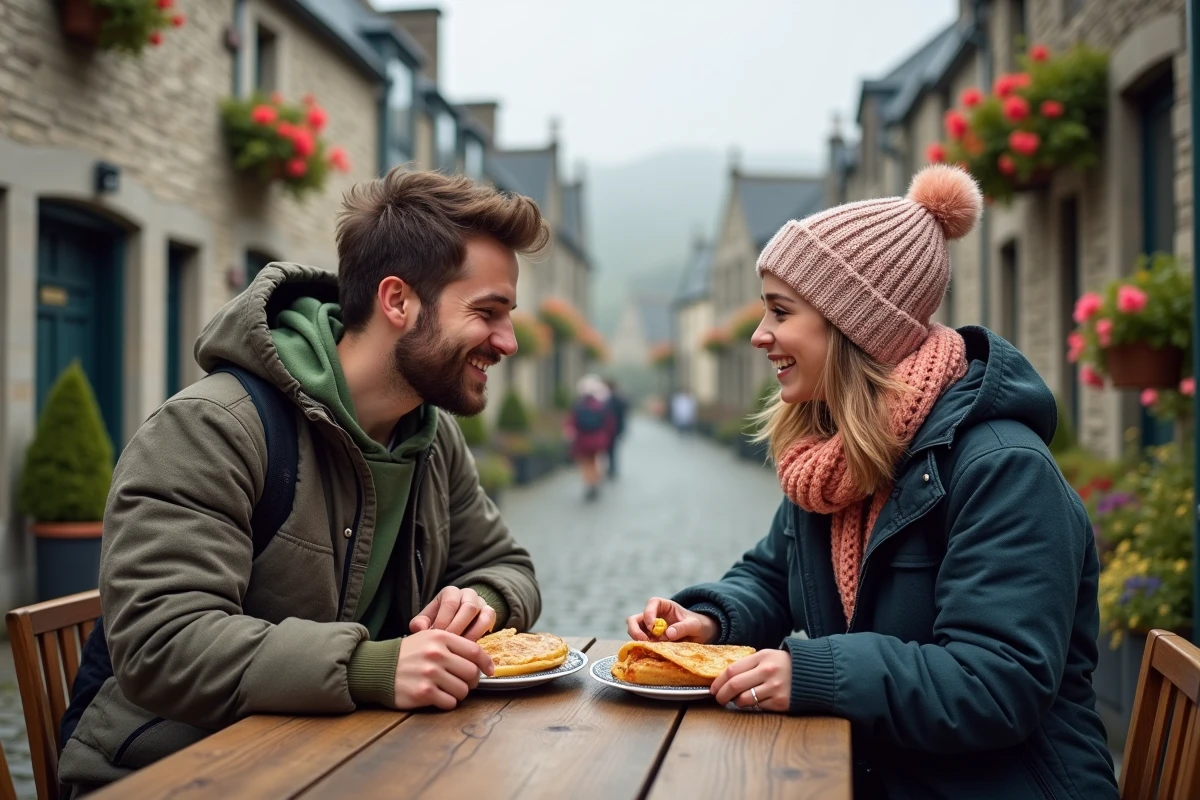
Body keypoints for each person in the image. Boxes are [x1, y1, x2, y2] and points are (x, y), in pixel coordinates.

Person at [626, 165, 1117, 799]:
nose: (759, 334)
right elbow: (776, 574)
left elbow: (997, 683)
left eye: (781, 311)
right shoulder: (832, 461)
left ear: (854, 326)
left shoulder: (1002, 469)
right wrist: (712, 617)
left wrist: (815, 673)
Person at [58, 168, 549, 793]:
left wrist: (484, 600)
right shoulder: (212, 428)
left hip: (347, 759)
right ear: (397, 301)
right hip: (167, 769)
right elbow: (165, 641)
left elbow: (508, 564)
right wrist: (369, 668)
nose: (507, 341)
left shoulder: (427, 435)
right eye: (487, 312)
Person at [566, 374, 615, 501]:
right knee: (596, 461)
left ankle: (588, 484)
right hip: (598, 439)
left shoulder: (578, 405)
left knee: (585, 463)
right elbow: (609, 424)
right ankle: (595, 483)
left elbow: (572, 422)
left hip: (583, 440)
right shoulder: (601, 406)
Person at [603, 377, 628, 479]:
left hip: (610, 429)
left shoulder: (607, 399)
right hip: (614, 429)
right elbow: (623, 416)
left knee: (610, 450)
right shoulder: (618, 399)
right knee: (612, 450)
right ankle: (611, 468)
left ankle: (611, 469)